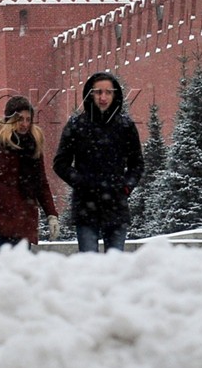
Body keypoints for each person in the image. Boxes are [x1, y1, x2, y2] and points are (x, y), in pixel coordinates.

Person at [53, 71, 143, 252]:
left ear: (115, 95)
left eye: (108, 92)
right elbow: (60, 163)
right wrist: (81, 182)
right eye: (98, 92)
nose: (103, 97)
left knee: (115, 263)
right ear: (90, 94)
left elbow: (137, 164)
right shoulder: (77, 125)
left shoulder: (125, 126)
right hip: (86, 206)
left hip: (116, 205)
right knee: (89, 262)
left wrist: (126, 187)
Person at [0, 95, 57, 248]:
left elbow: (41, 183)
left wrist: (51, 214)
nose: (25, 124)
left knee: (21, 261)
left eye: (28, 119)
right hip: (1, 220)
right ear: (10, 119)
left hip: (25, 220)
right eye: (20, 119)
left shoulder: (33, 147)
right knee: (8, 261)